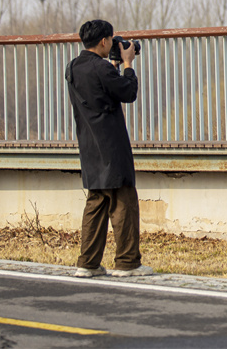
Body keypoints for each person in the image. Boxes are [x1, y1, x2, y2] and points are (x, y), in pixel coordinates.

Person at [66, 19, 153, 277]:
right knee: (123, 202)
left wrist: (112, 66)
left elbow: (100, 91)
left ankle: (87, 263)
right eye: (111, 40)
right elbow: (127, 92)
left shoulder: (73, 67)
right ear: (104, 41)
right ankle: (127, 263)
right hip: (112, 145)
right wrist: (127, 64)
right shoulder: (102, 69)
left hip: (89, 145)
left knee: (96, 203)